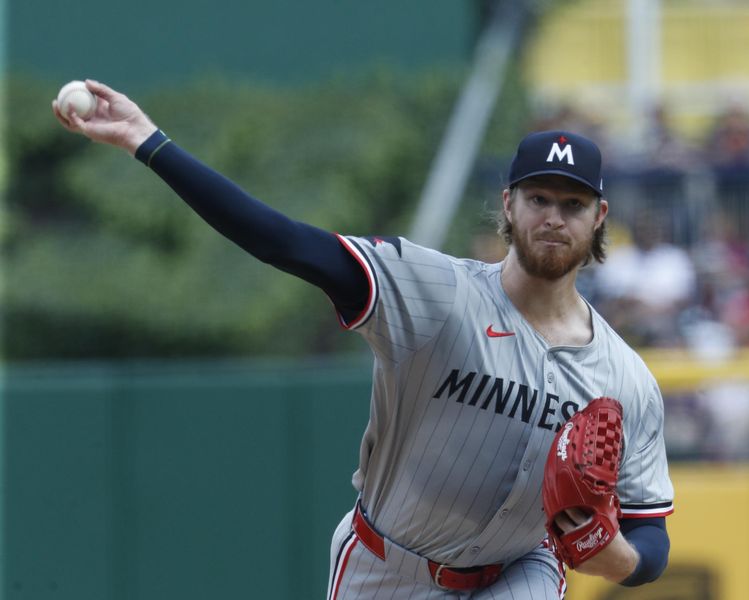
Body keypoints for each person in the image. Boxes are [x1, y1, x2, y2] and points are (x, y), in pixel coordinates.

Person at [54, 80, 674, 599]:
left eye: (572, 203)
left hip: (520, 571)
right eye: (539, 197)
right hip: (387, 567)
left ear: (599, 217)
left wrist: (611, 554)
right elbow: (285, 242)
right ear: (508, 205)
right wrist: (148, 142)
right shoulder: (435, 292)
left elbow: (650, 537)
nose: (553, 216)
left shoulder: (626, 378)